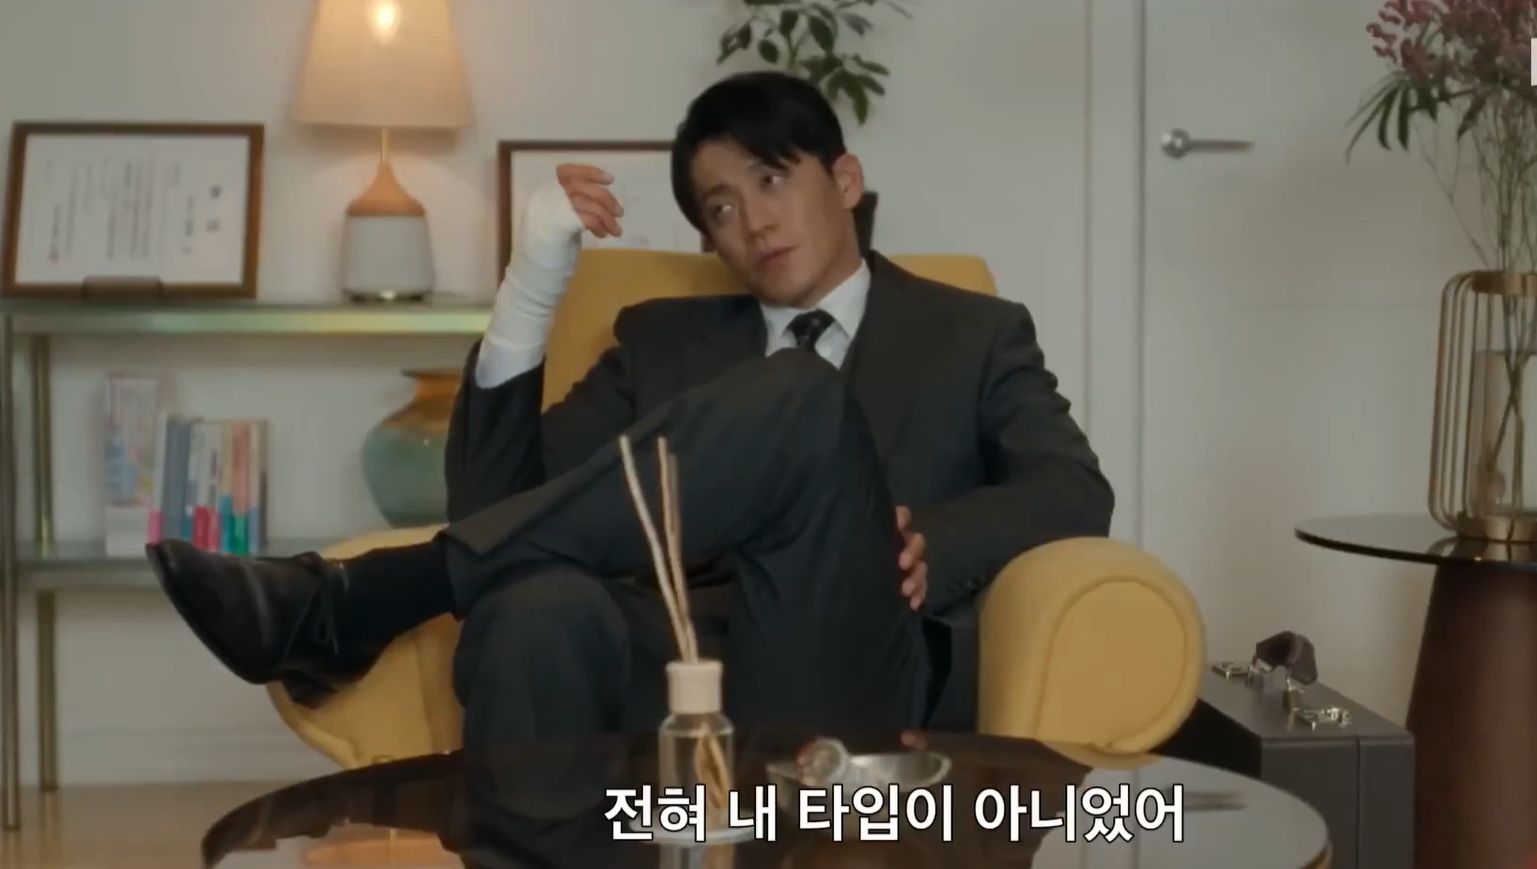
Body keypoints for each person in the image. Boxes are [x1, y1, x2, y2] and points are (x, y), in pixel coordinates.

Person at [145, 71, 1112, 744]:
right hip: (669, 658)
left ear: (845, 180)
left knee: (800, 398)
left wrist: (936, 539)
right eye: (720, 207)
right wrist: (532, 285)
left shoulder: (972, 332)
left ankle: (373, 597)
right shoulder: (661, 340)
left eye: (771, 179)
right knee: (532, 606)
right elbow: (500, 507)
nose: (752, 220)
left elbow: (1072, 489)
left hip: (853, 653)